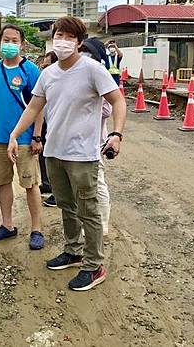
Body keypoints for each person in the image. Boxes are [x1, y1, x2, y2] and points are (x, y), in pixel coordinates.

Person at [7, 16, 126, 291]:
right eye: (59, 35)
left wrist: (116, 135)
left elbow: (118, 101)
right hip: (55, 153)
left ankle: (94, 265)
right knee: (67, 207)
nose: (62, 41)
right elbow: (34, 108)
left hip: (83, 155)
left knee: (89, 210)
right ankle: (73, 251)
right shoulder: (48, 74)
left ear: (79, 42)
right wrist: (15, 134)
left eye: (69, 37)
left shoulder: (92, 69)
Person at [0, 24, 45, 250]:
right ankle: (7, 225)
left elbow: (39, 106)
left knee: (30, 184)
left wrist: (37, 136)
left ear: (22, 44)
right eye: (6, 39)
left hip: (25, 139)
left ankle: (37, 229)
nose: (9, 44)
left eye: (14, 40)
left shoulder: (30, 70)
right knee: (3, 182)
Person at [81, 38, 114, 237]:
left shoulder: (99, 74)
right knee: (83, 186)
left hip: (95, 141)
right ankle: (88, 222)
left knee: (97, 182)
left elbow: (109, 108)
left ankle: (102, 225)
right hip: (77, 140)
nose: (84, 54)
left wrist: (88, 108)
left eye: (88, 52)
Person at [38, 51, 58, 208]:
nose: (45, 69)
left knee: (55, 159)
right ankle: (47, 184)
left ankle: (57, 193)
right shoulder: (46, 80)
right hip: (45, 122)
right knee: (43, 155)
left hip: (56, 127)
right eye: (43, 66)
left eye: (47, 65)